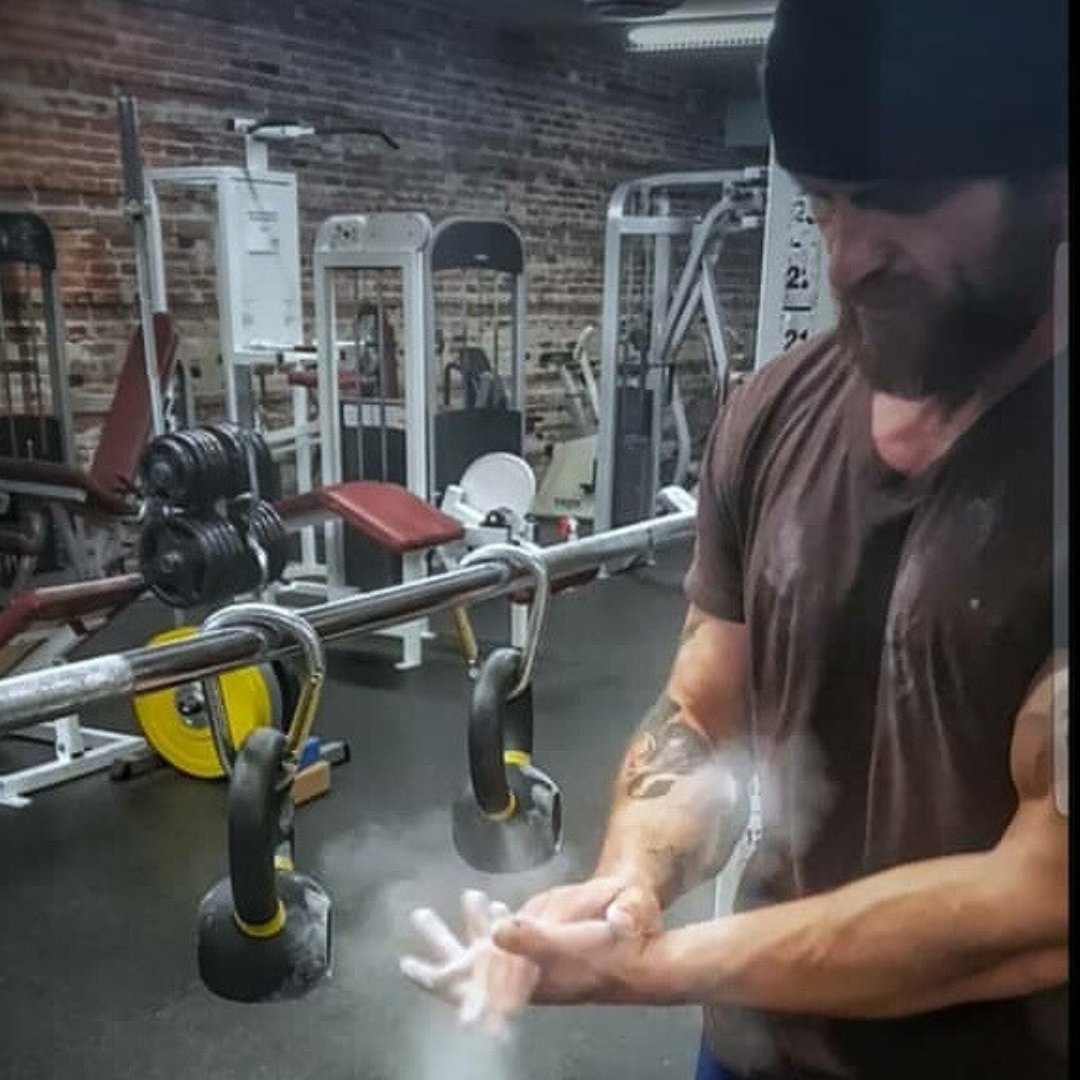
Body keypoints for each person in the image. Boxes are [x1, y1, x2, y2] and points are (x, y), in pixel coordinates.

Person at [399, 0, 1069, 1076]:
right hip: (754, 1051)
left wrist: (660, 968)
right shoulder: (772, 412)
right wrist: (631, 889)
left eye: (896, 207)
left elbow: (1044, 899)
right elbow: (707, 707)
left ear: (1052, 182)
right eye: (823, 206)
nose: (849, 262)